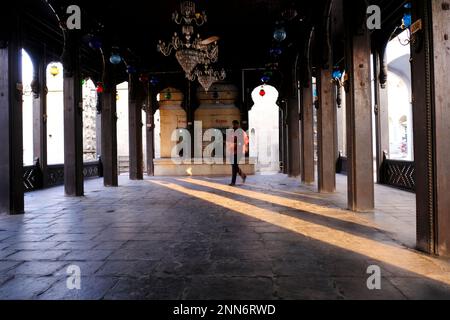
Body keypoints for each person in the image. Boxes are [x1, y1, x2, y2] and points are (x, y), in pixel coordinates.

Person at [227, 120, 248, 186]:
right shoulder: (232, 131)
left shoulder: (241, 132)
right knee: (234, 166)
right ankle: (243, 175)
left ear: (237, 124)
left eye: (235, 124)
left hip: (239, 151)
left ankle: (233, 182)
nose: (234, 126)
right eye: (233, 124)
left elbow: (244, 141)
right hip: (232, 151)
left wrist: (236, 144)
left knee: (234, 166)